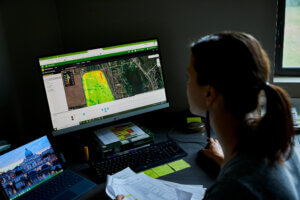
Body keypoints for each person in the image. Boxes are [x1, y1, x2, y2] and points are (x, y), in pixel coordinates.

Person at [115, 31, 300, 200]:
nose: (187, 85)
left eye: (189, 77)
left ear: (209, 94)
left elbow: (240, 187)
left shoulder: (233, 189)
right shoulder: (281, 145)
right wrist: (223, 160)